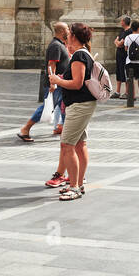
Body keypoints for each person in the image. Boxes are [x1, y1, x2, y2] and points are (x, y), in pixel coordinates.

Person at [49, 22, 98, 201]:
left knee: (67, 144)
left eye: (69, 34)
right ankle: (79, 183)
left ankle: (74, 187)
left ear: (74, 37)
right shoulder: (82, 54)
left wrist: (57, 80)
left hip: (79, 105)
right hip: (83, 104)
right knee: (79, 144)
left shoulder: (78, 56)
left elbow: (77, 83)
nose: (67, 36)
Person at [20, 22, 68, 144]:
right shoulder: (56, 46)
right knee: (47, 107)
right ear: (62, 31)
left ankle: (65, 129)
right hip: (56, 83)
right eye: (67, 28)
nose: (69, 31)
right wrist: (53, 82)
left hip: (61, 83)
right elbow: (51, 65)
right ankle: (26, 129)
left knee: (65, 106)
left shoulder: (60, 44)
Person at [124, 20, 139, 106]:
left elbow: (126, 49)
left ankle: (132, 95)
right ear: (138, 28)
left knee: (130, 79)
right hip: (138, 61)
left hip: (129, 61)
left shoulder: (127, 37)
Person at [113, 14, 131, 100]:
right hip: (119, 55)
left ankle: (127, 92)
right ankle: (117, 91)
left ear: (124, 22)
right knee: (118, 72)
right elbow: (116, 41)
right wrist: (118, 43)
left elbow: (120, 43)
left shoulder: (129, 32)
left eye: (121, 21)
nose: (120, 22)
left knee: (125, 73)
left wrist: (118, 43)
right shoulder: (122, 31)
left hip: (124, 56)